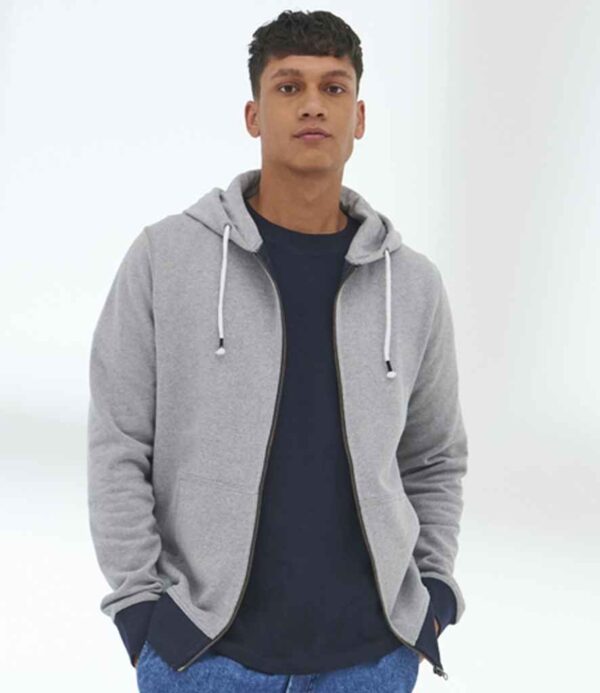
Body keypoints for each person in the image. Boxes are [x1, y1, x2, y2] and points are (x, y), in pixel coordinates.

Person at [87, 9, 468, 692]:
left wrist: (432, 594)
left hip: (370, 658)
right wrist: (142, 610)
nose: (313, 105)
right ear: (253, 115)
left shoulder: (412, 285)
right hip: (201, 654)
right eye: (289, 87)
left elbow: (435, 456)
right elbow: (118, 441)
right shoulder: (165, 258)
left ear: (359, 116)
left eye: (334, 87)